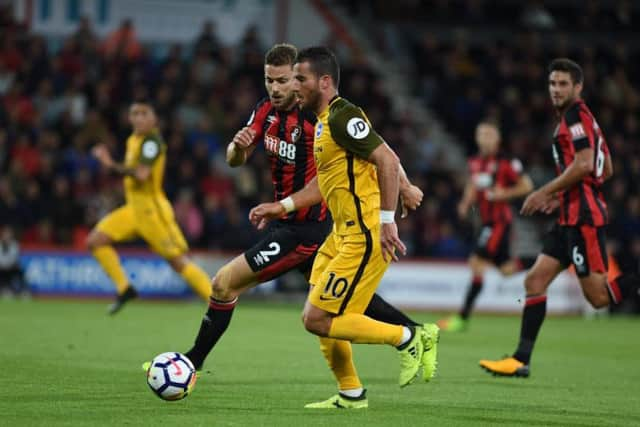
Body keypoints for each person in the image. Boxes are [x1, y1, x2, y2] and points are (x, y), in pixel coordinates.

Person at [178, 44, 427, 379]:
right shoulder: (264, 111)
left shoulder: (318, 115)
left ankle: (192, 363)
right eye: (270, 80)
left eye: (284, 80)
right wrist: (237, 147)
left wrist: (406, 186)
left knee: (224, 284)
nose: (277, 88)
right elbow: (234, 160)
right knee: (347, 303)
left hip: (307, 228)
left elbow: (380, 150)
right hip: (293, 223)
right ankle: (409, 341)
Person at [249, 46, 439, 408]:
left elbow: (385, 158)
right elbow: (328, 181)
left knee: (318, 319)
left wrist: (387, 222)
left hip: (363, 233)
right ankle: (351, 393)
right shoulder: (325, 123)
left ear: (323, 81)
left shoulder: (341, 116)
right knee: (317, 309)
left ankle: (408, 336)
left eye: (300, 79)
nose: (294, 87)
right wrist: (282, 206)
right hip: (340, 233)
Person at [479, 58, 639, 377]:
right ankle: (520, 360)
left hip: (583, 220)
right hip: (567, 218)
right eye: (552, 83)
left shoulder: (577, 116)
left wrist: (544, 192)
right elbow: (604, 169)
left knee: (597, 298)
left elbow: (584, 164)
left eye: (563, 84)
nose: (556, 89)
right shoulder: (579, 118)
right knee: (534, 280)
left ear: (578, 87)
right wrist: (562, 195)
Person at [88, 101, 212, 314]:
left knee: (178, 262)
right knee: (95, 241)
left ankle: (216, 301)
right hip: (132, 209)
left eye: (143, 114)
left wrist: (109, 164)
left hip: (151, 211)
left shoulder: (151, 142)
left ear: (154, 119)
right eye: (134, 113)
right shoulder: (133, 140)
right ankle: (125, 289)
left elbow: (142, 174)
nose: (138, 118)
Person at [438, 121, 533, 332]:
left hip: (499, 222)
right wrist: (465, 202)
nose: (485, 138)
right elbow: (474, 185)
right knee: (507, 270)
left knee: (476, 261)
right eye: (481, 134)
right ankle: (545, 259)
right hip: (487, 222)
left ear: (498, 139)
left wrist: (504, 194)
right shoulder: (475, 162)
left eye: (489, 134)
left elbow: (527, 185)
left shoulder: (507, 162)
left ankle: (462, 318)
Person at [0, 225, 28, 297]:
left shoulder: (15, 244)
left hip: (11, 268)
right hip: (1, 268)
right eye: (5, 234)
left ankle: (23, 291)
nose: (7, 236)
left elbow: (14, 258)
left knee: (20, 270)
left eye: (8, 234)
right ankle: (4, 290)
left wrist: (7, 265)